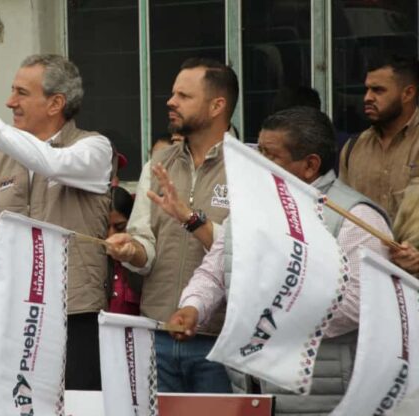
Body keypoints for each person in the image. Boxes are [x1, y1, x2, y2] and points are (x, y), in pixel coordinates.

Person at [168, 106, 392, 415]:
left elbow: (357, 303)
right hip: (250, 394)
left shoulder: (355, 218)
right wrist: (193, 307)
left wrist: (269, 308)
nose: (258, 163)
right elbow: (217, 269)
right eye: (258, 151)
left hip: (321, 396)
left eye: (271, 155)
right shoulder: (251, 208)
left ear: (310, 165)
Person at [0, 55, 114, 390]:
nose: (10, 102)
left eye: (21, 93)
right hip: (14, 316)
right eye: (12, 91)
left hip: (75, 317)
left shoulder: (94, 148)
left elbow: (51, 163)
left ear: (56, 103)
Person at [106, 57, 239, 393]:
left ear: (217, 106)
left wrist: (190, 220)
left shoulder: (248, 167)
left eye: (183, 95)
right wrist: (131, 251)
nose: (170, 102)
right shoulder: (160, 163)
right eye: (172, 93)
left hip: (219, 340)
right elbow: (145, 245)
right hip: (158, 332)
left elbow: (242, 256)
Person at [339, 54, 419, 221]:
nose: (367, 98)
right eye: (367, 89)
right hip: (361, 246)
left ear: (408, 94)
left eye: (378, 90)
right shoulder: (353, 148)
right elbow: (341, 214)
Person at [107, 186, 141, 315]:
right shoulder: (90, 263)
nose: (111, 235)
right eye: (105, 227)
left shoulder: (143, 262)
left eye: (120, 227)